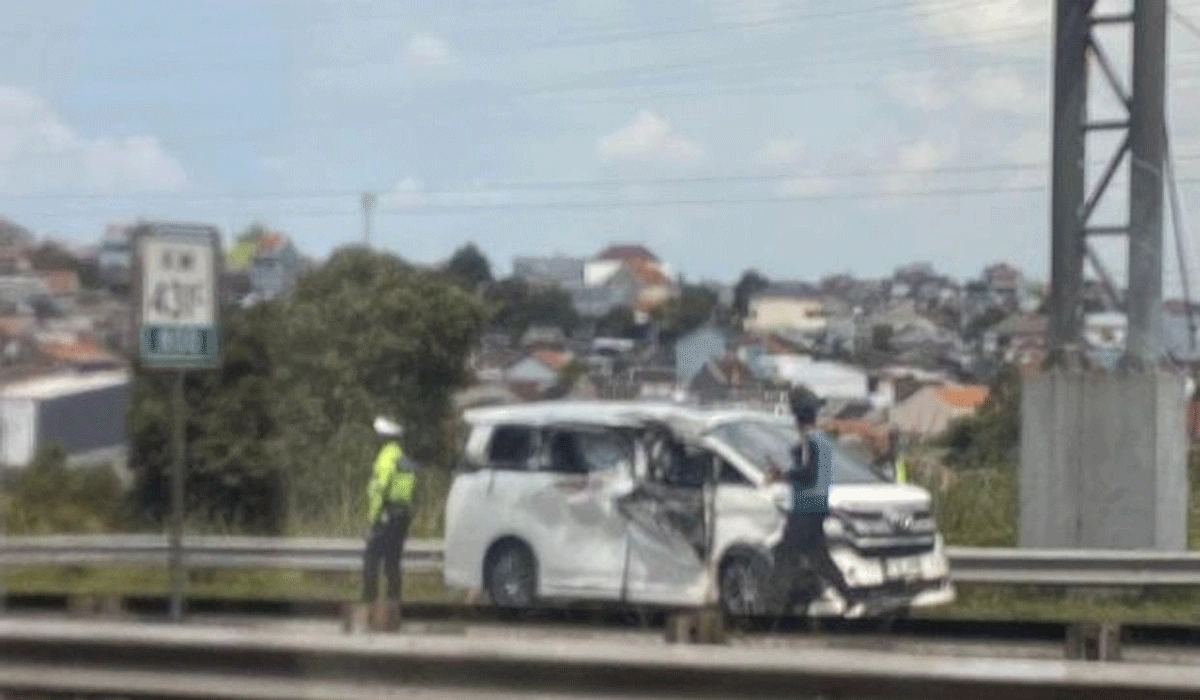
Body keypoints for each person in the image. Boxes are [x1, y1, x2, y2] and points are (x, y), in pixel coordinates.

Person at [771, 386, 862, 617]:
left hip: (804, 508)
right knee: (819, 557)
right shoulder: (824, 442)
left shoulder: (809, 442)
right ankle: (849, 598)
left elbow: (808, 473)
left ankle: (780, 605)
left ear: (797, 420)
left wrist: (784, 475)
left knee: (784, 554)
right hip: (818, 506)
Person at [362, 416, 416, 606]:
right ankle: (394, 604)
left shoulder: (385, 457)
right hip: (403, 515)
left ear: (383, 438)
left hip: (386, 515)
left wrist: (373, 519)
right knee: (393, 562)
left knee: (371, 559)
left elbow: (381, 490)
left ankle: (369, 602)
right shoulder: (403, 458)